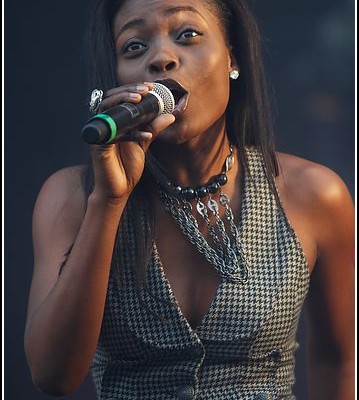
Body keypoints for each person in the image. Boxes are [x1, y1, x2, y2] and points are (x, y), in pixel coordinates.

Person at [24, 0, 354, 399]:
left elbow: (339, 360)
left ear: (233, 57)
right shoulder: (72, 197)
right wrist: (108, 202)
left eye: (187, 35)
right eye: (134, 47)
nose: (161, 58)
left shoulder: (314, 193)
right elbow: (53, 375)